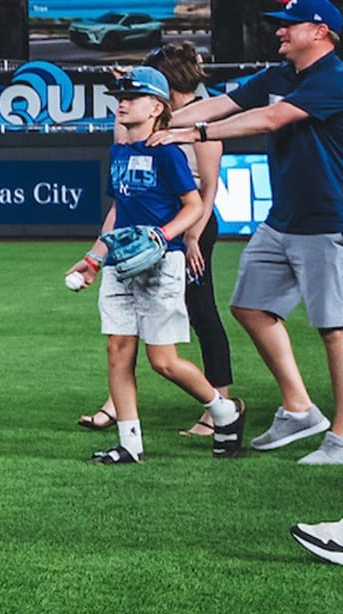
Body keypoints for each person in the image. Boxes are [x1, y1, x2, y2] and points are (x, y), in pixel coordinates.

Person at [156, 0, 343, 463]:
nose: (278, 32)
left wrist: (191, 133)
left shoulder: (334, 78)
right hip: (283, 219)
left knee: (334, 331)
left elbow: (270, 119)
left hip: (328, 220)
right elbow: (222, 104)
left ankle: (341, 437)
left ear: (321, 32)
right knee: (250, 307)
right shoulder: (278, 76)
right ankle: (300, 409)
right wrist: (154, 121)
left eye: (288, 26)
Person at [65, 67, 243, 464]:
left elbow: (194, 204)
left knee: (162, 361)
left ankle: (225, 411)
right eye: (119, 96)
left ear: (157, 106)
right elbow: (118, 209)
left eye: (132, 95)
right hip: (121, 262)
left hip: (162, 263)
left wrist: (164, 236)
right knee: (118, 348)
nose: (122, 102)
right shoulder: (119, 151)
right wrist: (95, 258)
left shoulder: (166, 151)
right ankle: (129, 444)